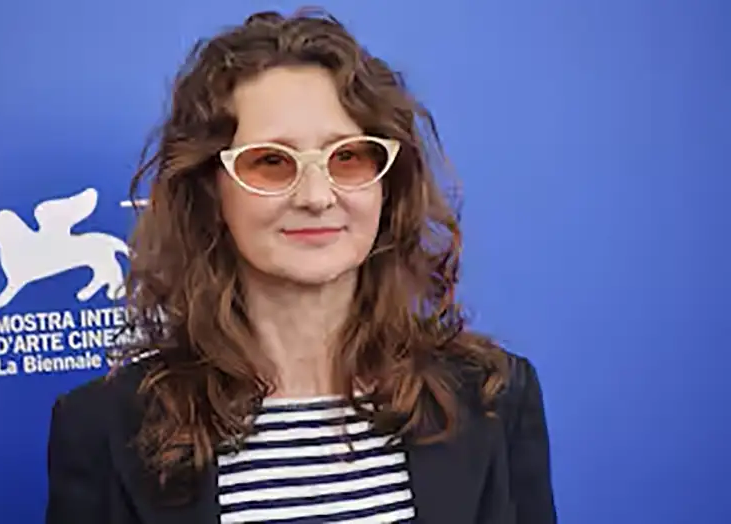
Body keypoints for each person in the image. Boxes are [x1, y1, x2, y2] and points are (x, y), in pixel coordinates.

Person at [45, 8, 557, 524]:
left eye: (348, 157)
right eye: (270, 161)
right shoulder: (104, 430)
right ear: (209, 190)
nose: (316, 196)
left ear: (387, 183)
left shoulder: (494, 399)